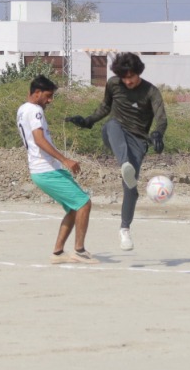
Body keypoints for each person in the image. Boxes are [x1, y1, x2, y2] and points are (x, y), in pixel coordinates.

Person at [65, 52, 167, 250]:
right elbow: (105, 107)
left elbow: (161, 118)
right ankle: (124, 164)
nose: (128, 81)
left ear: (139, 72)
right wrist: (87, 121)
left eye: (131, 77)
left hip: (138, 141)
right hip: (114, 133)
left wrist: (157, 134)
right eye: (124, 78)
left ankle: (124, 229)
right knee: (112, 124)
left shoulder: (151, 91)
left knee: (130, 187)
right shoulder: (113, 84)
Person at [19, 74, 93, 261]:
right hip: (45, 170)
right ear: (37, 93)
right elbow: (39, 139)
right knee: (84, 203)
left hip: (46, 169)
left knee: (74, 208)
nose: (50, 100)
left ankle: (58, 252)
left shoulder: (22, 109)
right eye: (48, 96)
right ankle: (79, 250)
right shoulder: (35, 110)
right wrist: (65, 160)